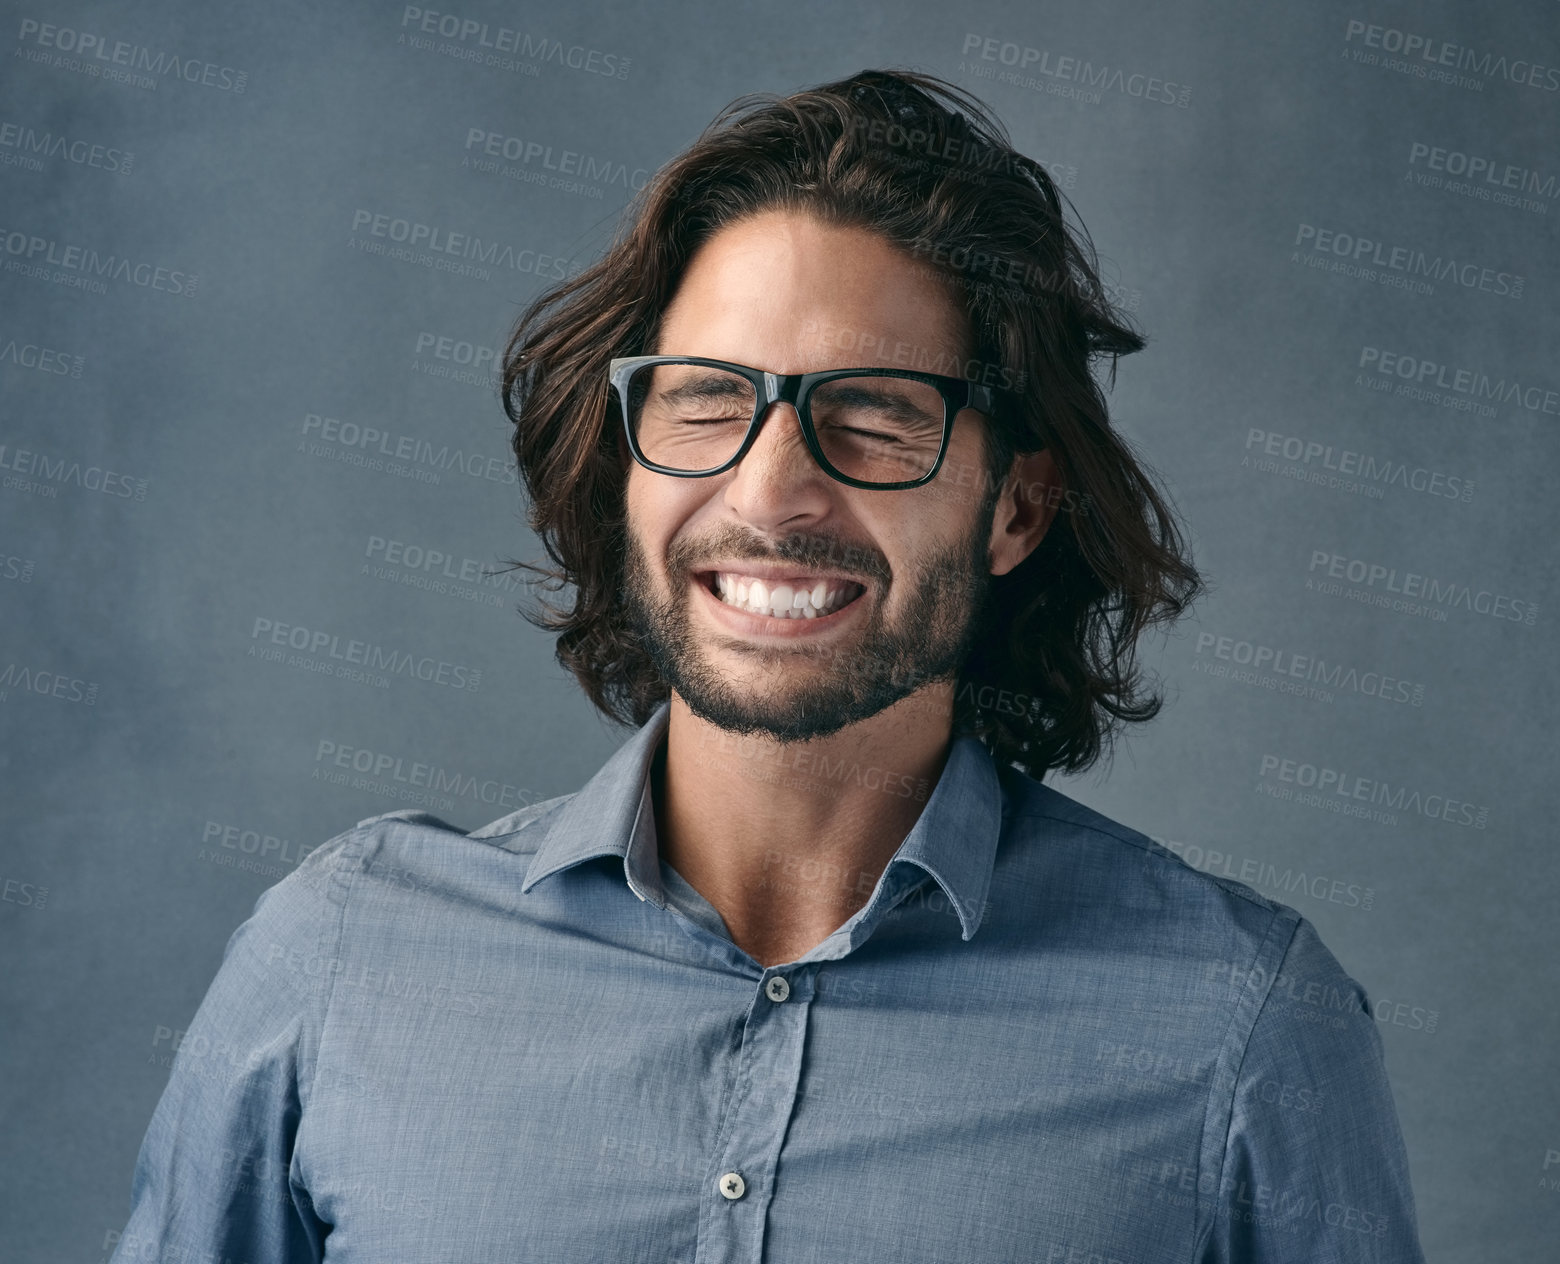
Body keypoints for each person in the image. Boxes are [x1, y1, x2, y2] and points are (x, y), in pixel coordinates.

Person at [108, 69, 1426, 1262]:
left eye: (872, 412)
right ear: (627, 462)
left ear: (1015, 508)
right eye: (703, 400)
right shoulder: (338, 963)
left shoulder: (1241, 1028)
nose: (771, 491)